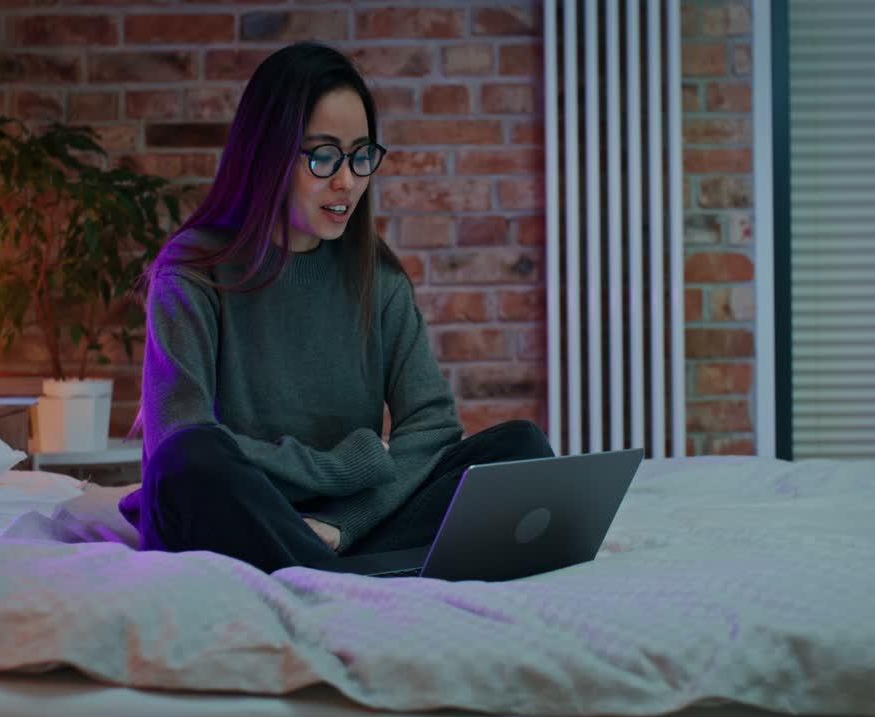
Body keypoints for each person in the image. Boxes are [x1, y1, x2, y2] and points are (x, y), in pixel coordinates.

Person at [120, 42, 554, 574]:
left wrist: (345, 520)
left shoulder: (379, 277)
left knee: (519, 447)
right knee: (194, 458)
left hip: (341, 527)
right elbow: (176, 439)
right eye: (322, 155)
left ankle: (331, 566)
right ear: (268, 155)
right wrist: (348, 465)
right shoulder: (191, 269)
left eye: (361, 154)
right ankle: (350, 575)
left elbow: (433, 427)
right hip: (237, 513)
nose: (346, 180)